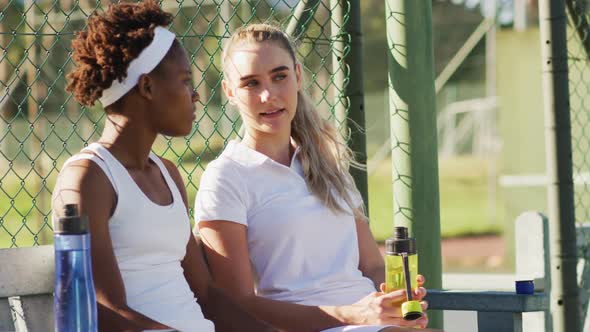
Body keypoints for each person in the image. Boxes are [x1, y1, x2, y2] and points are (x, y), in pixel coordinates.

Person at [195, 23, 433, 332]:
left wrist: (396, 300)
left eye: (279, 76)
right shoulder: (226, 177)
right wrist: (353, 315)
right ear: (229, 91)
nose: (269, 95)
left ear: (297, 75)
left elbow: (372, 266)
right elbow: (237, 303)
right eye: (251, 83)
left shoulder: (327, 163)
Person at [52, 2, 273, 331]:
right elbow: (103, 310)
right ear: (147, 87)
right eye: (185, 81)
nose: (195, 95)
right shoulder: (89, 178)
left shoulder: (167, 173)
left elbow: (207, 295)